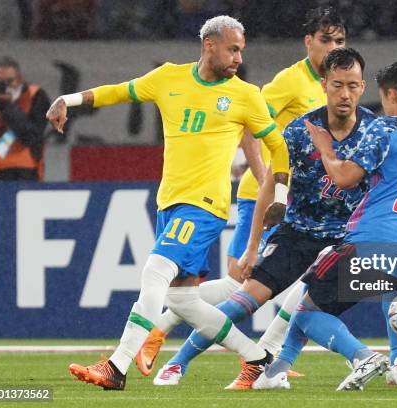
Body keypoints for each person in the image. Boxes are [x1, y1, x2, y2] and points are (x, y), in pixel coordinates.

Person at [45, 15, 290, 391]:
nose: (239, 57)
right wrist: (69, 99)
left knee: (155, 272)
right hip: (170, 203)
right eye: (233, 48)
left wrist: (282, 195)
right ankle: (257, 358)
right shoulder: (169, 78)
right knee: (183, 300)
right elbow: (118, 91)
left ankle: (117, 364)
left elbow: (278, 144)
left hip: (204, 204)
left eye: (241, 49)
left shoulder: (245, 95)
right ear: (210, 45)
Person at [137, 6, 347, 378]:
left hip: (300, 201)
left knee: (296, 278)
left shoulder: (330, 86)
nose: (334, 48)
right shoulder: (290, 81)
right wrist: (267, 175)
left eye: (340, 41)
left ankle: (266, 352)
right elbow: (250, 125)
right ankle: (165, 330)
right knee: (243, 280)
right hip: (265, 198)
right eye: (326, 40)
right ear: (308, 42)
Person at [253, 61, 397, 391]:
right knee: (317, 298)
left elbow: (344, 178)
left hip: (368, 241)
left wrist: (325, 149)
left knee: (309, 311)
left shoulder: (387, 129)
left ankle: (363, 356)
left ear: (391, 93)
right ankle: (277, 370)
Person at [0, 57, 50, 181]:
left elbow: (31, 136)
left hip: (23, 169)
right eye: (0, 82)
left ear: (20, 80)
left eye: (10, 81)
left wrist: (5, 105)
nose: (6, 86)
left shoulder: (35, 96)